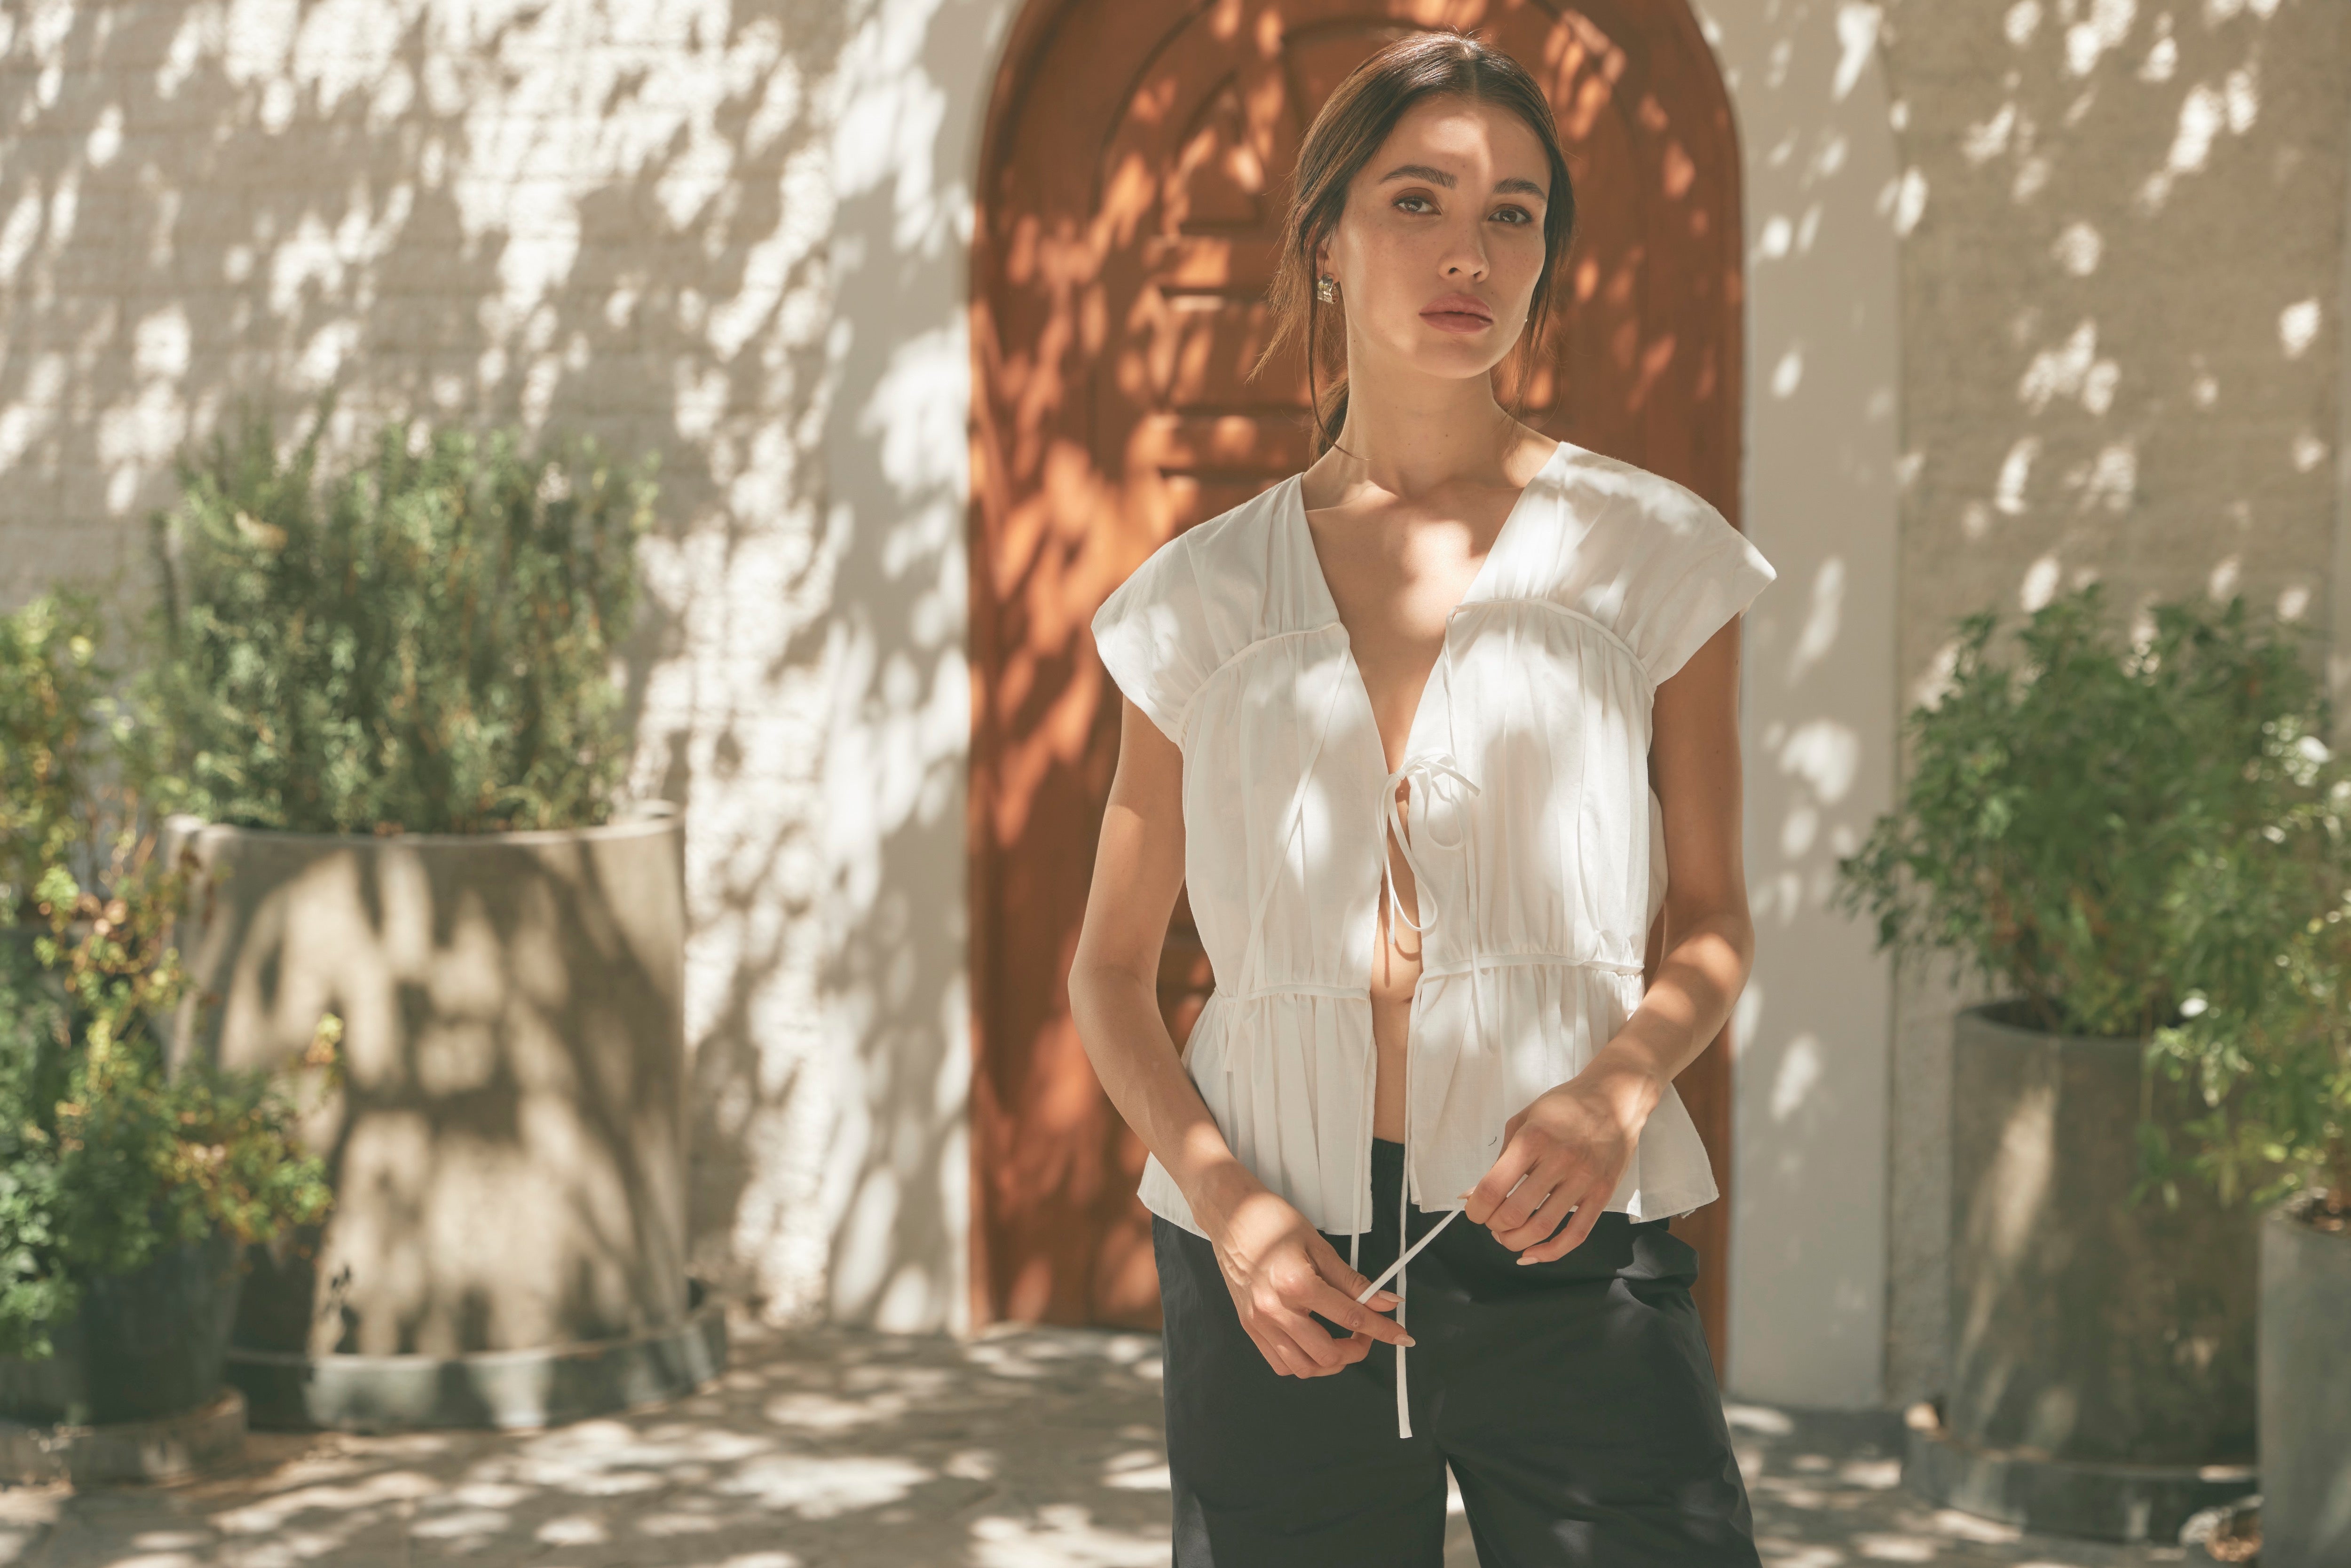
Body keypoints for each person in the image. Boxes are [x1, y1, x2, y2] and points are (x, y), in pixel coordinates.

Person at [1067, 26, 1774, 1568]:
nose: (1470, 250)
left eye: (1513, 212)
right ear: (1326, 241)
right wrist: (1231, 1213)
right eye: (1418, 202)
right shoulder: (1195, 602)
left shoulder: (1653, 560)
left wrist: (1616, 1090)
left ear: (1543, 260)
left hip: (1574, 1240)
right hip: (1275, 1268)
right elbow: (1111, 975)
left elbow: (1714, 920)